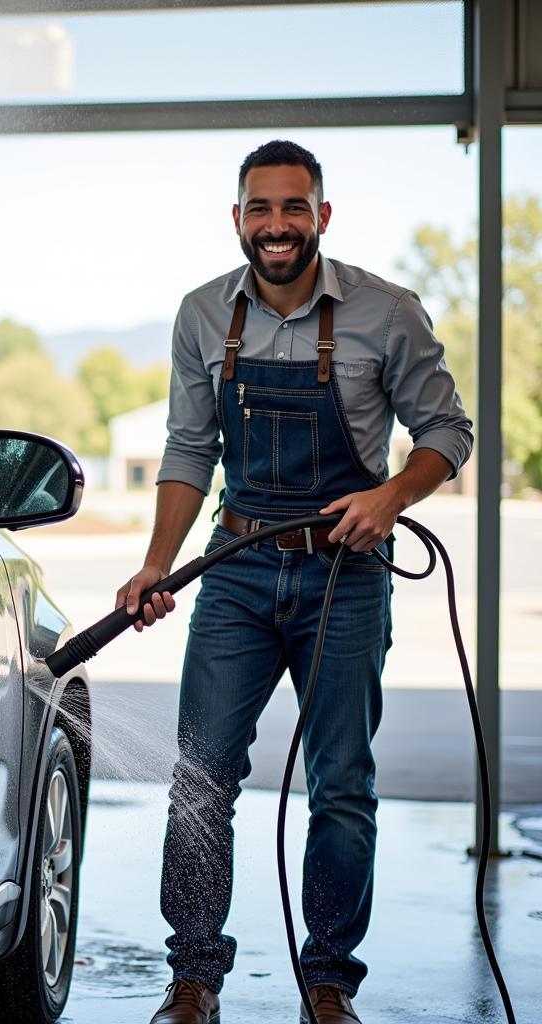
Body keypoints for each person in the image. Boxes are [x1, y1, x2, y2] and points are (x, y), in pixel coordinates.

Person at [117, 140, 473, 1024]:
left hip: (345, 579)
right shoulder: (202, 313)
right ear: (237, 218)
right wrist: (158, 565)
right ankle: (193, 979)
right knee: (200, 777)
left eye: (294, 207)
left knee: (342, 782)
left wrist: (392, 495)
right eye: (260, 208)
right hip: (235, 574)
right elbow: (188, 448)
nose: (277, 225)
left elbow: (448, 432)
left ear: (322, 214)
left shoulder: (388, 312)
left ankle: (328, 985)